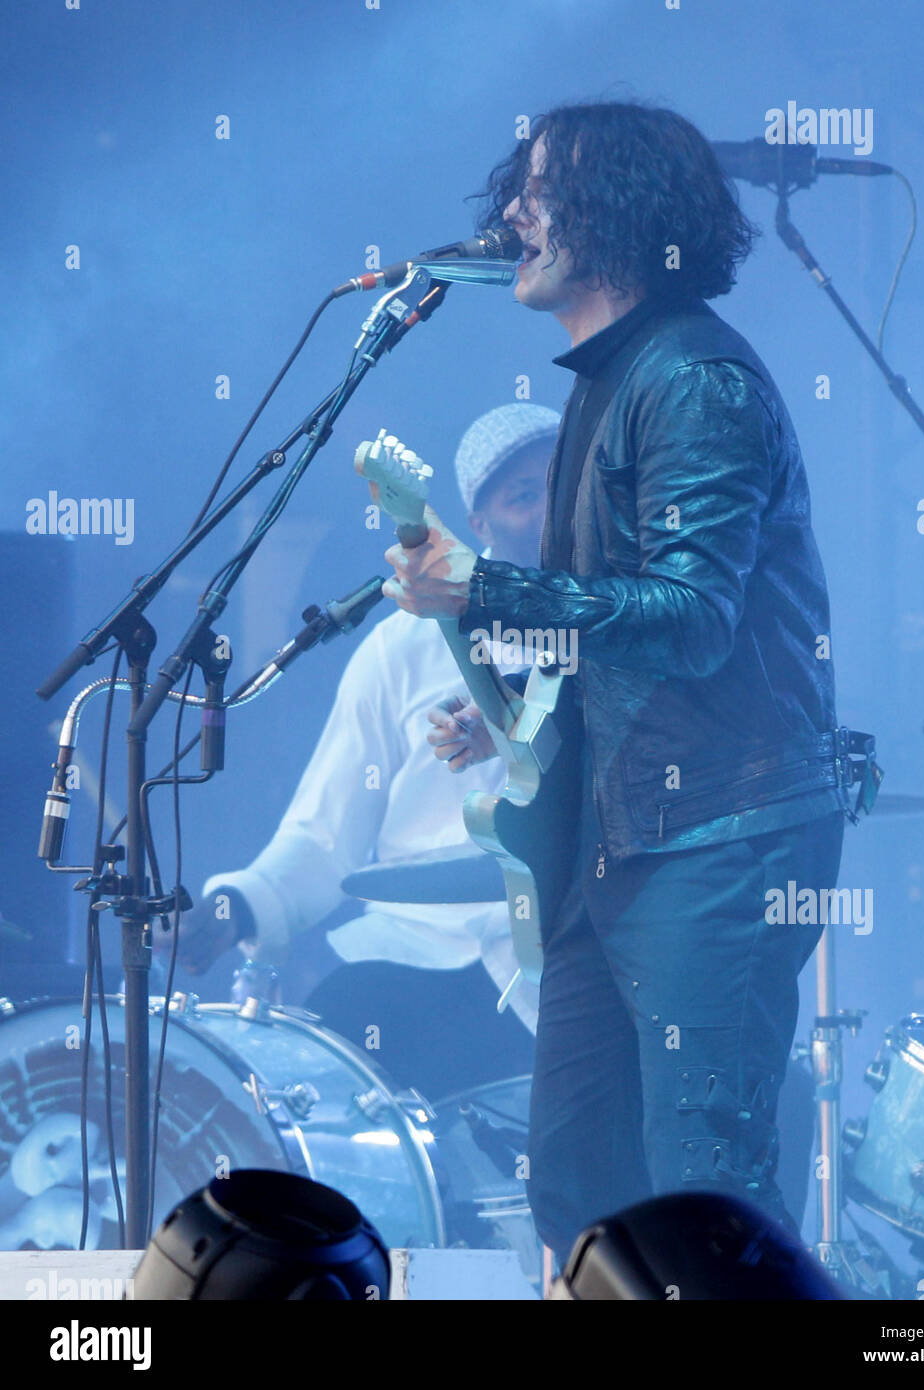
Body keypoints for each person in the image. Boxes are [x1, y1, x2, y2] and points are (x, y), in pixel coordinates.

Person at [371, 100, 867, 1264]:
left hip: (719, 833)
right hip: (624, 837)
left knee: (707, 1200)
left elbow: (692, 619)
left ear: (617, 217)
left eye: (539, 191)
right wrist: (509, 713)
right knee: (586, 1181)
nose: (512, 215)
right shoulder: (606, 378)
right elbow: (619, 619)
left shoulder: (694, 378)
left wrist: (484, 588)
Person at [174, 403, 560, 1100]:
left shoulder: (630, 625)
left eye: (565, 481)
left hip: (567, 955)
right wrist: (238, 903)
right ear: (479, 524)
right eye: (523, 494)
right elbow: (326, 837)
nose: (549, 506)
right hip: (410, 956)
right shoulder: (400, 648)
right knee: (324, 1072)